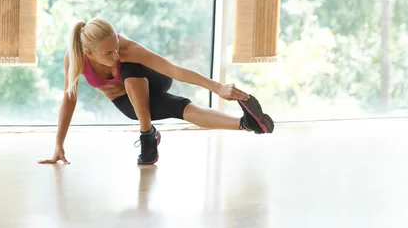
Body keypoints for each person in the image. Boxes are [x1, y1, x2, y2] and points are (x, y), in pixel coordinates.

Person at [38, 18, 274, 166]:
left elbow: (174, 70)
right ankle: (246, 124)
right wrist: (59, 144)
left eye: (116, 48)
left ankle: (147, 136)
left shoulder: (128, 50)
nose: (116, 56)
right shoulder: (75, 59)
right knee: (179, 107)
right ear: (88, 53)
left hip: (154, 80)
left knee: (129, 68)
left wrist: (218, 87)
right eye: (108, 53)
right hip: (127, 102)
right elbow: (69, 98)